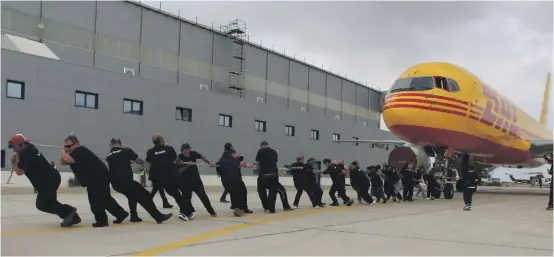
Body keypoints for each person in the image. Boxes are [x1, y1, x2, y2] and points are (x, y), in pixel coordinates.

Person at [8, 134, 81, 227]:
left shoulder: (26, 155)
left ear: (21, 145)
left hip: (47, 182)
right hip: (51, 178)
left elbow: (19, 172)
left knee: (42, 204)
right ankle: (74, 218)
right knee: (50, 202)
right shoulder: (30, 148)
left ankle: (70, 211)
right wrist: (17, 157)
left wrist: (14, 163)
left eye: (13, 146)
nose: (12, 149)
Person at [60, 135, 128, 227]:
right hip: (101, 177)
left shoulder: (79, 151)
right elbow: (63, 162)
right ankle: (121, 214)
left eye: (68, 146)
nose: (67, 148)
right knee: (106, 199)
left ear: (76, 144)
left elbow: (67, 159)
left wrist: (63, 150)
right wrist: (65, 151)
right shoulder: (78, 151)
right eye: (66, 146)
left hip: (96, 179)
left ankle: (102, 221)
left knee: (95, 202)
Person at [106, 138, 172, 223]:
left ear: (111, 144)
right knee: (146, 196)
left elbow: (117, 164)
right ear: (120, 143)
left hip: (116, 184)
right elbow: (138, 161)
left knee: (132, 196)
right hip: (127, 182)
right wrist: (141, 161)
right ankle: (158, 216)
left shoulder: (109, 156)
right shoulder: (126, 151)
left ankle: (134, 216)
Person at [145, 133, 195, 222]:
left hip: (163, 180)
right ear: (161, 141)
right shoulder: (169, 148)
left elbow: (150, 163)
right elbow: (178, 162)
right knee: (186, 191)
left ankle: (186, 212)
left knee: (177, 196)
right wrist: (186, 163)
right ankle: (185, 211)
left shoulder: (150, 152)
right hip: (174, 176)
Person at [176, 143, 217, 217]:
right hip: (186, 182)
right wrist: (187, 165)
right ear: (182, 150)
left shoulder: (193, 153)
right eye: (186, 150)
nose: (188, 152)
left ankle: (211, 211)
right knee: (186, 198)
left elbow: (201, 156)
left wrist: (209, 163)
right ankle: (186, 213)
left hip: (196, 180)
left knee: (203, 196)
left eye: (188, 150)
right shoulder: (179, 158)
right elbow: (179, 171)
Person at [216, 149, 249, 217]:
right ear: (232, 154)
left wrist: (220, 173)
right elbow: (241, 163)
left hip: (226, 181)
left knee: (234, 194)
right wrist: (244, 163)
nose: (236, 155)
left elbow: (217, 165)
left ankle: (240, 208)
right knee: (241, 193)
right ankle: (239, 209)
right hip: (235, 180)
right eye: (235, 154)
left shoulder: (222, 160)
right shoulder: (234, 160)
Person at [255, 141, 280, 213]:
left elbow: (258, 163)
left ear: (262, 145)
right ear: (268, 145)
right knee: (273, 191)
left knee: (261, 191)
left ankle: (266, 207)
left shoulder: (260, 151)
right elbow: (275, 162)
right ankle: (272, 208)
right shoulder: (274, 152)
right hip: (274, 174)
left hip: (263, 174)